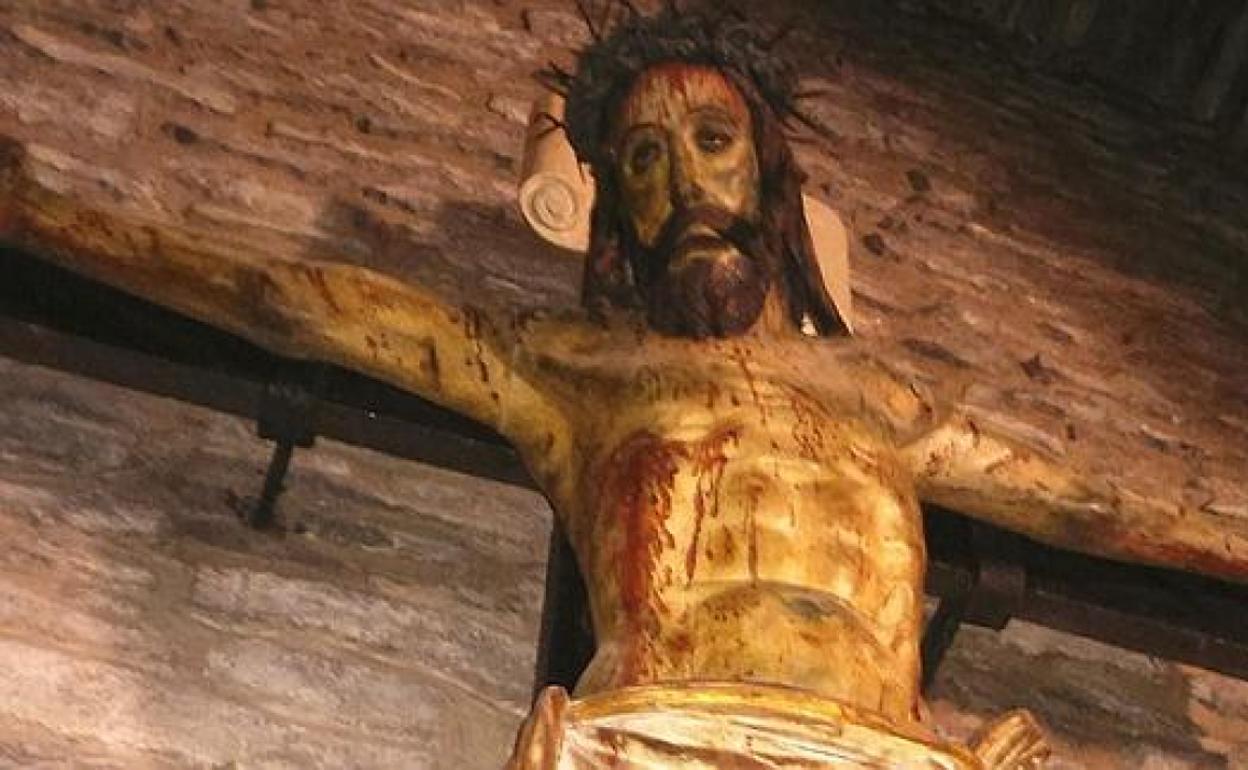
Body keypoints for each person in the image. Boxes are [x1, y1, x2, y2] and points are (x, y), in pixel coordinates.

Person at [0, 6, 1237, 768]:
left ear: (769, 177)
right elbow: (306, 304)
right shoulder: (577, 371)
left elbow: (1088, 505)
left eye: (712, 142)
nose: (683, 181)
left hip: (894, 750)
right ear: (618, 214)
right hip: (665, 734)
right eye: (643, 159)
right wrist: (48, 216)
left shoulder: (888, 402)